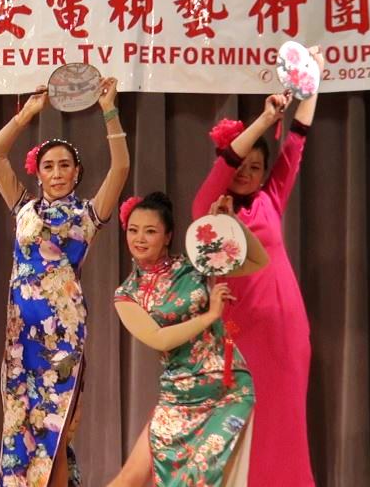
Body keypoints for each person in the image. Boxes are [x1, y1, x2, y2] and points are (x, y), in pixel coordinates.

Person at [0, 78, 130, 486]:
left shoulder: (88, 214)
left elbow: (120, 167)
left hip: (64, 338)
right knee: (20, 428)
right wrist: (28, 114)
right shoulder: (23, 207)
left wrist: (109, 110)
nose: (57, 172)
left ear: (78, 171)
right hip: (21, 338)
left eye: (65, 165)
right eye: (48, 165)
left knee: (57, 429)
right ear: (38, 172)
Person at [190, 47, 324, 486]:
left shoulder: (270, 200)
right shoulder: (207, 210)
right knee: (240, 422)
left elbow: (297, 139)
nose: (245, 173)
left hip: (284, 326)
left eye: (256, 168)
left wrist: (312, 81)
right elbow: (228, 161)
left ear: (265, 173)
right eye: (240, 165)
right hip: (236, 330)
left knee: (286, 418)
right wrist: (266, 119)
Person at [108, 192, 268, 486]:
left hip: (225, 389)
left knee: (198, 479)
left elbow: (258, 259)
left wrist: (230, 223)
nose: (139, 238)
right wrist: (209, 316)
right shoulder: (127, 294)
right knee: (129, 478)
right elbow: (159, 339)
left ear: (168, 236)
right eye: (133, 230)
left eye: (150, 231)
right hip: (178, 395)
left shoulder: (194, 264)